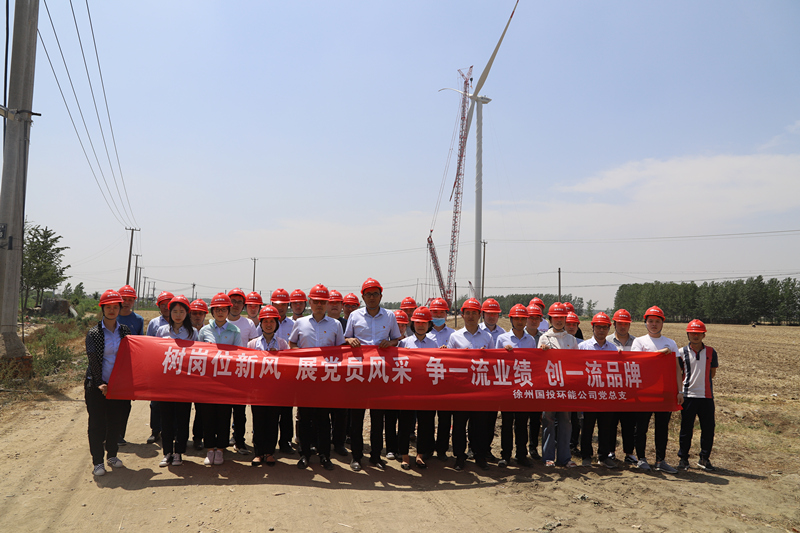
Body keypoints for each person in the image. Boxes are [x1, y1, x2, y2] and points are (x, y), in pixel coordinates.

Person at [344, 277, 402, 471]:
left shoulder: (389, 316)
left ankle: (376, 456)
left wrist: (390, 343)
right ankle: (356, 457)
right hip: (359, 373)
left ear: (380, 296)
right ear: (363, 297)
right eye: (368, 294)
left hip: (380, 373)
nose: (371, 297)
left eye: (375, 294)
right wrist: (350, 340)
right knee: (357, 419)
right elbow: (346, 338)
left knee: (378, 419)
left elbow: (396, 339)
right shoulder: (355, 316)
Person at [289, 284, 344, 471]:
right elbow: (292, 343)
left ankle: (324, 455)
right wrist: (302, 356)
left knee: (323, 420)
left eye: (323, 302)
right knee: (305, 418)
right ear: (310, 302)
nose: (319, 305)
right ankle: (304, 454)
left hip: (326, 380)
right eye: (316, 301)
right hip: (306, 378)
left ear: (327, 303)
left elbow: (340, 351)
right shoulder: (300, 323)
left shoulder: (335, 325)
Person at [630, 305, 684, 474]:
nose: (654, 324)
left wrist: (680, 391)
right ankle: (641, 458)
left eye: (657, 321)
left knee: (662, 428)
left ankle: (661, 460)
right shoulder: (639, 342)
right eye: (651, 321)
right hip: (644, 392)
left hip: (664, 392)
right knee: (641, 427)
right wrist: (659, 354)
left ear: (662, 323)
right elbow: (637, 362)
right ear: (645, 323)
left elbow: (677, 369)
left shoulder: (671, 343)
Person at [84, 289, 131, 476]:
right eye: (108, 307)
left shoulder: (125, 331)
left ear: (120, 309)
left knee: (115, 422)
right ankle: (98, 462)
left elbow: (129, 358)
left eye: (115, 307)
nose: (112, 310)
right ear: (102, 308)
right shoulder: (94, 333)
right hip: (97, 386)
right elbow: (93, 360)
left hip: (117, 386)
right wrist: (100, 383)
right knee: (97, 424)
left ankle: (112, 455)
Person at [446, 298, 494, 471]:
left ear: (479, 315)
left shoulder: (487, 337)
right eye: (468, 313)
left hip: (480, 388)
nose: (471, 316)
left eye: (474, 313)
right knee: (459, 425)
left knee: (480, 425)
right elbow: (449, 362)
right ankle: (460, 457)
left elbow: (493, 362)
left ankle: (480, 456)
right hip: (461, 389)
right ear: (462, 315)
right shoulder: (455, 337)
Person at [198, 293, 244, 466]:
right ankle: (210, 449)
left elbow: (239, 354)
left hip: (226, 380)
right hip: (208, 380)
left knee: (224, 415)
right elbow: (197, 354)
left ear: (228, 311)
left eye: (223, 309)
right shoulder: (204, 331)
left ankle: (221, 450)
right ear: (212, 311)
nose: (220, 312)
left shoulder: (235, 331)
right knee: (207, 415)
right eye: (217, 309)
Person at [154, 295, 198, 467]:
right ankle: (167, 452)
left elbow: (198, 357)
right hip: (166, 382)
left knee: (182, 418)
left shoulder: (193, 333)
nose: (178, 315)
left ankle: (179, 452)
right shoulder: (161, 331)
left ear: (187, 313)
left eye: (181, 311)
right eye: (175, 311)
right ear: (169, 312)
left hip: (184, 383)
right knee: (166, 418)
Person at [248, 305, 290, 466]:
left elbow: (288, 366)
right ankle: (258, 453)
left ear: (276, 324)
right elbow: (247, 365)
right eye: (265, 321)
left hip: (275, 390)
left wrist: (277, 356)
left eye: (272, 321)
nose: (268, 324)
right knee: (258, 421)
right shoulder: (252, 344)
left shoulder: (282, 344)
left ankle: (270, 452)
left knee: (273, 421)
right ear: (260, 323)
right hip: (257, 390)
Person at [538, 302, 578, 468]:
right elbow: (539, 362)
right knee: (548, 422)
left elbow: (577, 363)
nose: (559, 320)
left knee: (566, 422)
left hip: (566, 387)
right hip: (549, 387)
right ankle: (548, 457)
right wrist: (542, 351)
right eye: (556, 317)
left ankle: (565, 458)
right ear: (550, 319)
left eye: (562, 317)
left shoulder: (571, 339)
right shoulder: (544, 338)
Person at [397, 306, 438, 469]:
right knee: (405, 423)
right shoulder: (404, 343)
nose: (421, 325)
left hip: (426, 391)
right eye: (418, 322)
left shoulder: (434, 344)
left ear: (429, 325)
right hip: (407, 391)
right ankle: (405, 456)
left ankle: (420, 455)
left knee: (425, 423)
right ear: (412, 324)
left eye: (424, 323)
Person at [496, 304, 535, 467]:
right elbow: (495, 363)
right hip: (507, 388)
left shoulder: (531, 340)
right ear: (511, 319)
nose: (520, 322)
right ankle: (505, 455)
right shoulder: (502, 339)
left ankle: (521, 454)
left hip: (523, 387)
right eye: (517, 318)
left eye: (523, 319)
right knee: (506, 423)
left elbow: (534, 363)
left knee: (522, 423)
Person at [677, 319, 719, 471]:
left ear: (703, 335)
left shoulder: (711, 352)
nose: (695, 336)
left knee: (708, 429)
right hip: (688, 396)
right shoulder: (681, 352)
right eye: (692, 333)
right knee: (686, 429)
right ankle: (683, 459)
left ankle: (704, 458)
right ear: (688, 334)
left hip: (706, 396)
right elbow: (678, 373)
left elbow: (712, 373)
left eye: (699, 333)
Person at [578, 312, 617, 468]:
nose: (601, 330)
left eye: (604, 327)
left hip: (606, 395)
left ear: (608, 329)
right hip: (588, 394)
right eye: (598, 327)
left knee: (605, 427)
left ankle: (604, 456)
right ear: (592, 327)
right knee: (587, 427)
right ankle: (586, 456)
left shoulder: (613, 349)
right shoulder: (583, 347)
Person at [227, 288, 257, 455]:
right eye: (233, 301)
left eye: (239, 302)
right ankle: (221, 441)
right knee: (223, 410)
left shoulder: (249, 324)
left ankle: (239, 441)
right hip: (222, 372)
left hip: (241, 372)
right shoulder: (220, 321)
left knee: (240, 411)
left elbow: (254, 348)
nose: (236, 305)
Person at [608, 308, 637, 466]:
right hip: (611, 388)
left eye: (626, 323)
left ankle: (629, 453)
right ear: (614, 324)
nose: (623, 326)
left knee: (629, 423)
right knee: (610, 422)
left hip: (630, 389)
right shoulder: (607, 341)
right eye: (620, 323)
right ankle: (610, 451)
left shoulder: (637, 342)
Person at [115, 284, 143, 446]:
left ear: (134, 301)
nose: (126, 302)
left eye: (130, 299)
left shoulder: (138, 320)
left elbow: (140, 346)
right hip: (111, 365)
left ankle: (119, 434)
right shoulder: (111, 316)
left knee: (124, 404)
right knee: (108, 401)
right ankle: (107, 433)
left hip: (128, 368)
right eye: (123, 299)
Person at [145, 290, 174, 444]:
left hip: (176, 369)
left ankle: (172, 432)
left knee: (175, 403)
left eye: (169, 304)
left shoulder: (182, 322)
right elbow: (148, 345)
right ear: (159, 306)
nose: (166, 307)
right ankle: (155, 431)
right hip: (158, 368)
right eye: (163, 304)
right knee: (155, 403)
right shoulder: (154, 323)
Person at [428, 297, 455, 460]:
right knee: (428, 418)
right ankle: (428, 448)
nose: (438, 315)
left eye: (441, 312)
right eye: (435, 312)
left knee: (445, 418)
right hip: (428, 382)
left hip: (447, 383)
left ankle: (442, 450)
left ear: (446, 314)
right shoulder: (424, 332)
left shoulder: (454, 335)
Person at [270, 288, 295, 454]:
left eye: (284, 305)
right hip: (268, 375)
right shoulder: (264, 322)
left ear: (288, 306)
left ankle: (285, 442)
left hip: (287, 374)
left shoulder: (294, 324)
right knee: (269, 411)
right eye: (277, 304)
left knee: (286, 411)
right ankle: (267, 443)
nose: (280, 308)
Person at [326, 289, 349, 457]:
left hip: (342, 374)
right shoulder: (320, 322)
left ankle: (339, 443)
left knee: (341, 412)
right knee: (320, 412)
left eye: (337, 303)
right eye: (331, 302)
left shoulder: (348, 324)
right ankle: (321, 442)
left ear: (342, 306)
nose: (334, 306)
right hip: (321, 373)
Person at [189, 298, 209, 450]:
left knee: (201, 410)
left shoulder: (208, 332)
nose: (197, 316)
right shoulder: (184, 332)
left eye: (200, 313)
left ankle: (198, 438)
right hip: (185, 376)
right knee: (182, 409)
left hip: (202, 376)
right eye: (194, 313)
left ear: (205, 315)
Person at [525, 303, 543, 460]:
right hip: (520, 382)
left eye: (537, 318)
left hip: (538, 383)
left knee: (535, 418)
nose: (533, 321)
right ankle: (520, 448)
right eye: (531, 317)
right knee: (520, 419)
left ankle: (533, 447)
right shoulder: (518, 335)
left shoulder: (544, 338)